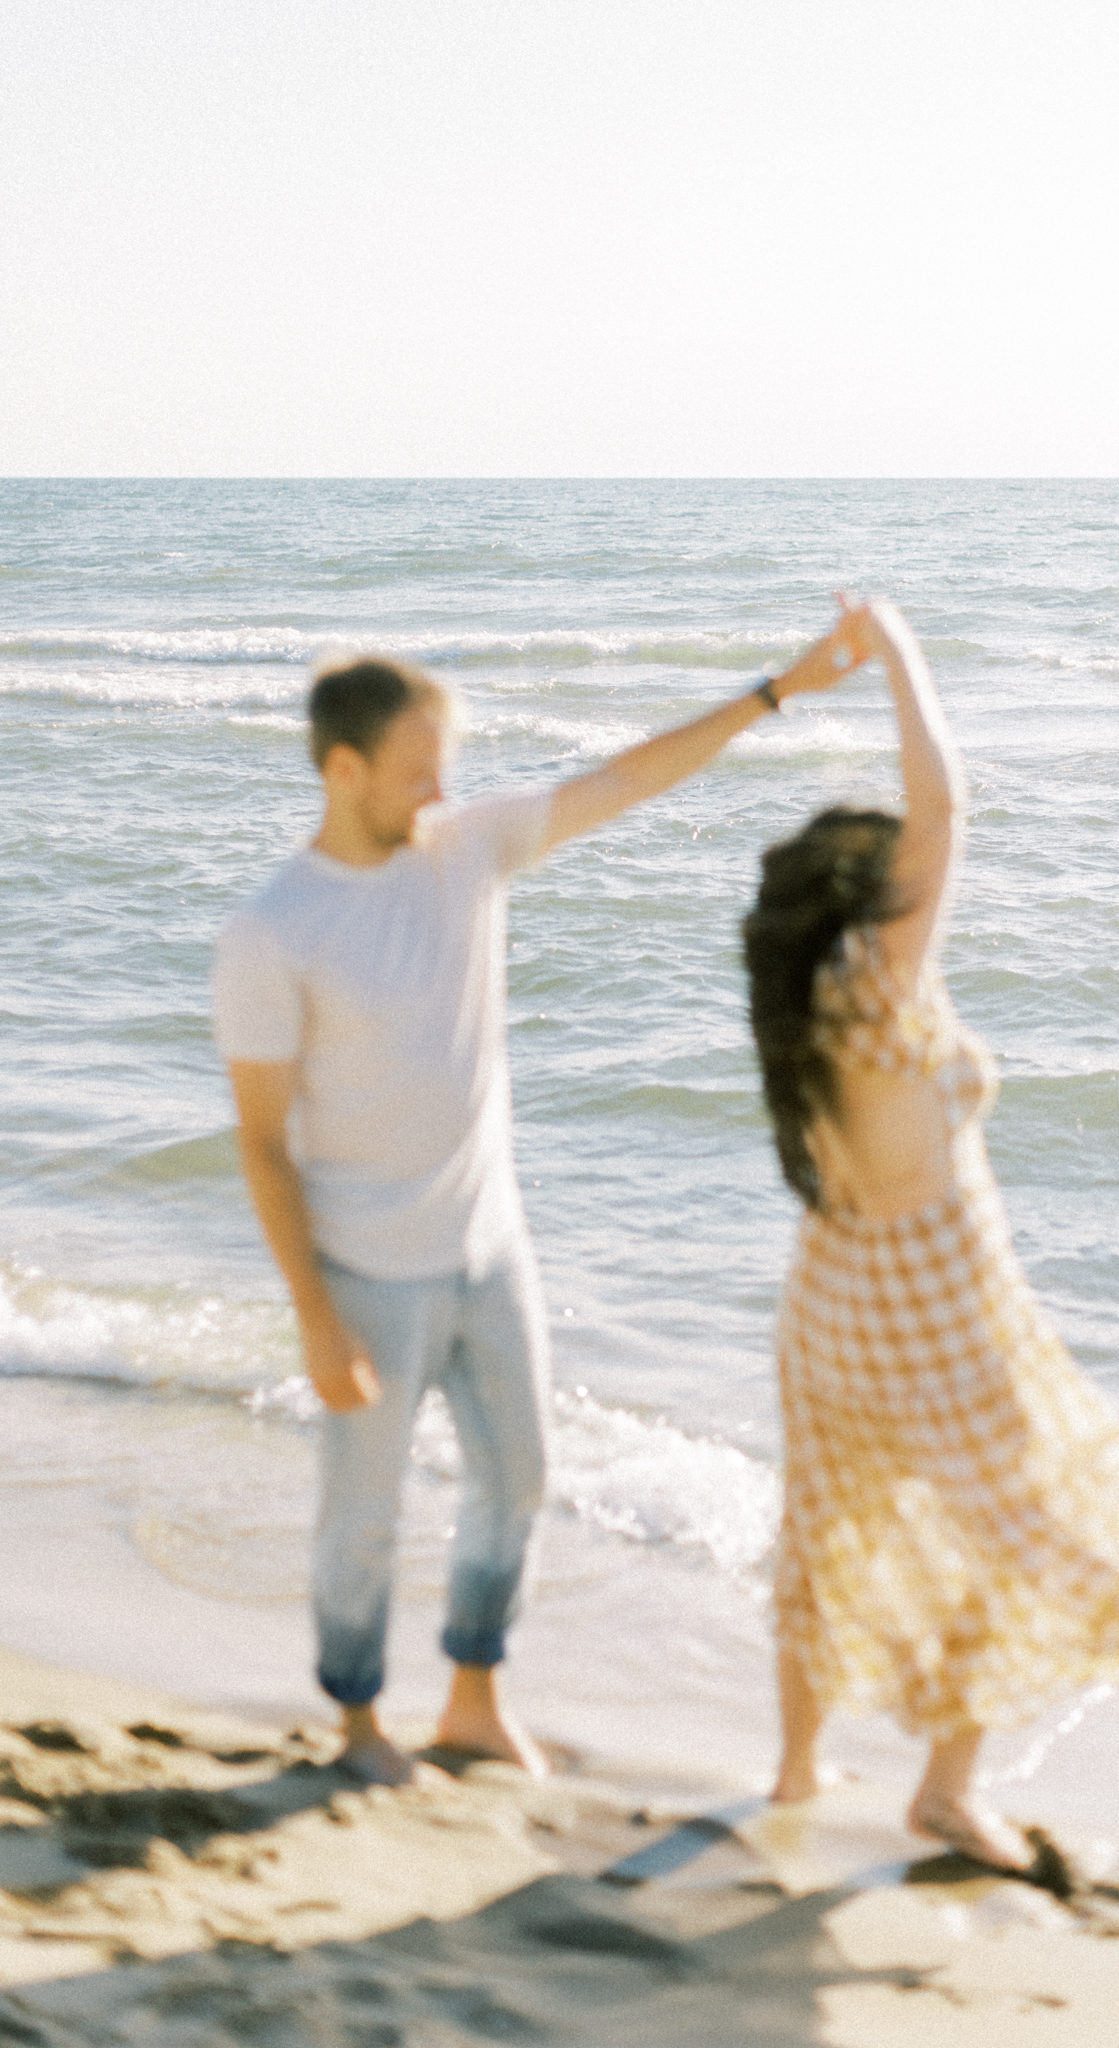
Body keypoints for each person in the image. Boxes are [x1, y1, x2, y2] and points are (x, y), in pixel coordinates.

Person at [213, 624, 860, 1787]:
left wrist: (776, 692)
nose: (442, 789)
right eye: (419, 768)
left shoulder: (467, 848)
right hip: (367, 1270)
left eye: (446, 765)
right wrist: (314, 1314)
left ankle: (470, 1699)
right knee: (361, 1513)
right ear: (343, 769)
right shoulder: (273, 928)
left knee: (518, 1477)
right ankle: (358, 1724)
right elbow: (263, 1147)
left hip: (489, 1248)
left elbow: (627, 775)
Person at [742, 599, 1119, 1870]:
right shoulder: (881, 981)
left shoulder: (800, 1009)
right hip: (938, 1316)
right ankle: (945, 1790)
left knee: (824, 1532)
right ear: (869, 898)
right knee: (1027, 1531)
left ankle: (792, 1766)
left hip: (830, 1304)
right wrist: (894, 647)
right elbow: (948, 808)